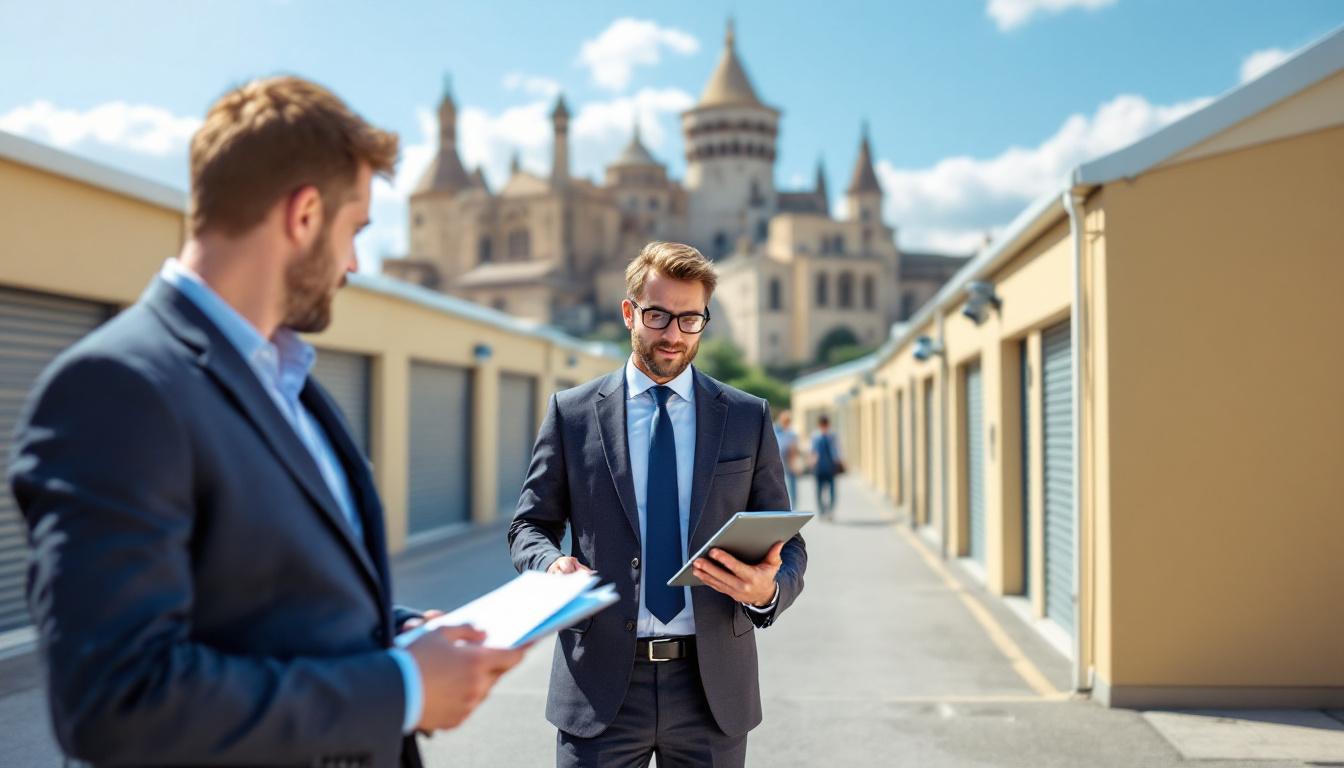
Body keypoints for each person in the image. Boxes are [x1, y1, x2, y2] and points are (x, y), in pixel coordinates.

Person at [8, 76, 524, 768]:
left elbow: (264, 604)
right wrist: (400, 686)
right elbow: (116, 703)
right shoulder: (116, 388)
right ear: (304, 215)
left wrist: (399, 636)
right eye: (355, 230)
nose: (355, 264)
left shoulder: (289, 382)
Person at [508, 242, 808, 767]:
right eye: (658, 315)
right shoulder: (572, 414)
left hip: (711, 691)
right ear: (629, 312)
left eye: (690, 319)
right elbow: (529, 525)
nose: (673, 334)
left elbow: (790, 542)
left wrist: (767, 592)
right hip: (599, 686)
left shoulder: (746, 417)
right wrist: (550, 561)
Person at [810, 414, 843, 519]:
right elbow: (812, 451)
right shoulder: (815, 436)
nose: (824, 427)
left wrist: (839, 461)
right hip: (819, 467)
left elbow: (837, 450)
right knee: (819, 491)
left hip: (831, 467)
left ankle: (830, 511)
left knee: (832, 491)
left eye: (825, 425)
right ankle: (822, 511)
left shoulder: (832, 436)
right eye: (822, 425)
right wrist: (812, 463)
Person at [774, 409, 801, 509]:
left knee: (792, 486)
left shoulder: (792, 434)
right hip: (778, 463)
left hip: (789, 463)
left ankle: (792, 507)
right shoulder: (775, 431)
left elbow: (795, 450)